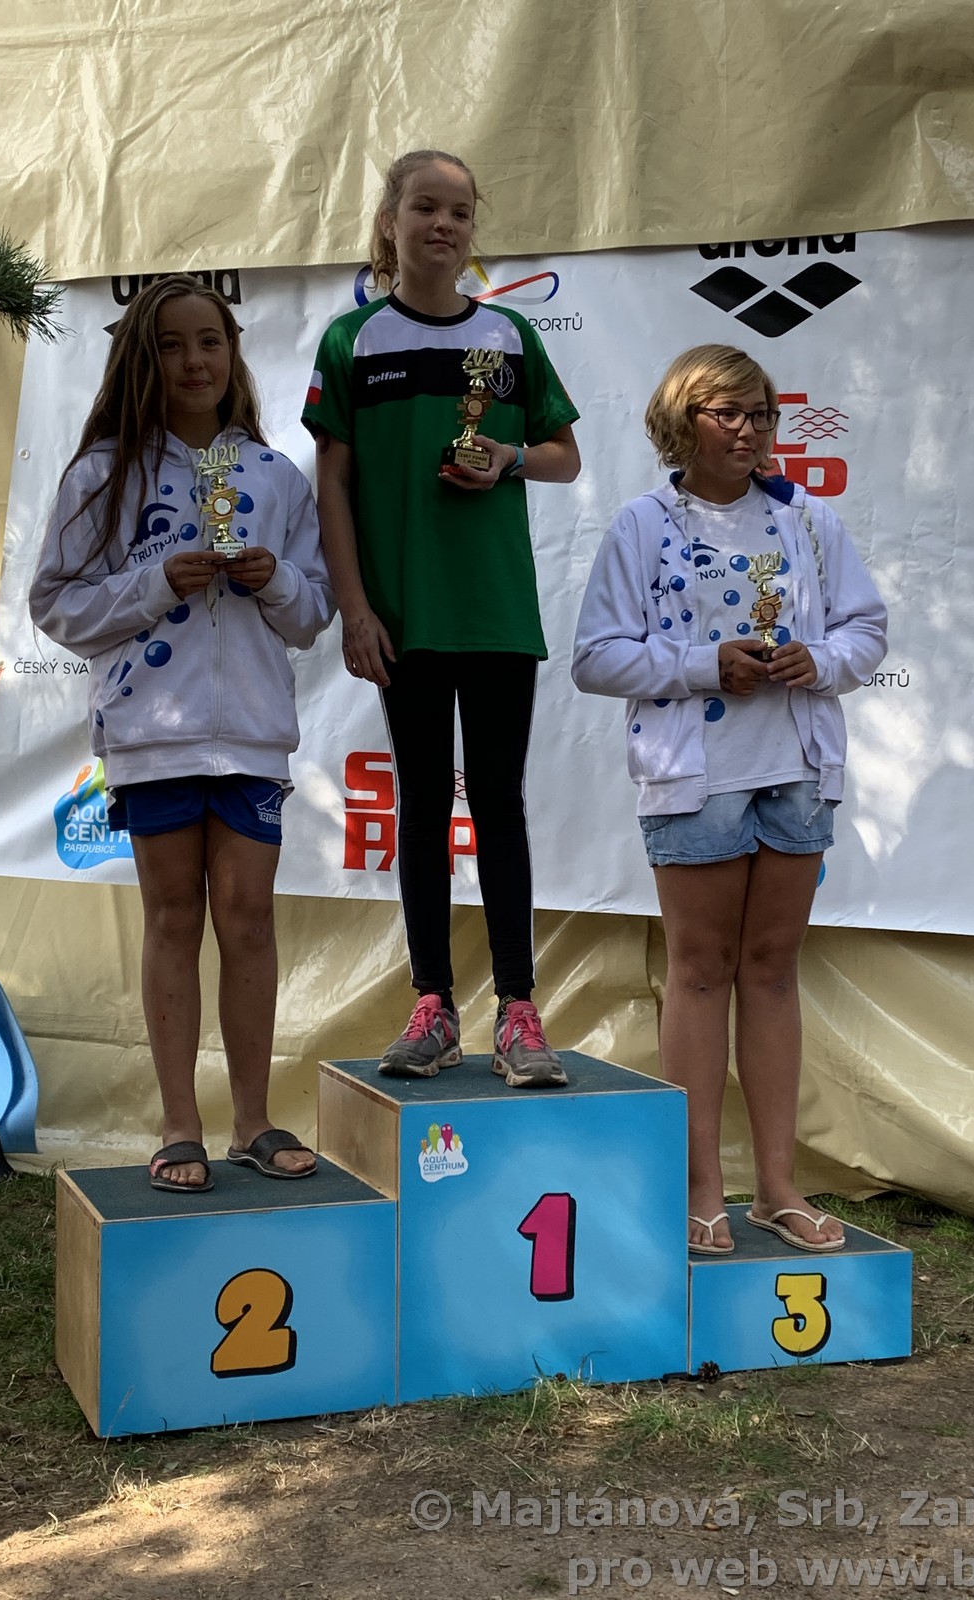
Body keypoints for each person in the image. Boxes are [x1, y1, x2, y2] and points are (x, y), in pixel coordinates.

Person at [572, 345, 887, 1253]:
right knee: (701, 972)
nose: (749, 430)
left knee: (773, 970)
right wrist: (703, 665)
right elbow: (597, 656)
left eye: (761, 414)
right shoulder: (642, 524)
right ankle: (699, 1188)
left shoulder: (809, 520)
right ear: (684, 420)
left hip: (797, 769)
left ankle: (778, 1187)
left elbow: (866, 629)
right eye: (728, 413)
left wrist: (819, 660)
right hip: (693, 776)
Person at [31, 275, 334, 1192]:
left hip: (251, 737)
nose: (195, 361)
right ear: (141, 360)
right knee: (172, 916)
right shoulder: (102, 473)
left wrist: (275, 579)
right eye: (171, 345)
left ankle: (253, 1121)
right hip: (150, 735)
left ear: (233, 353)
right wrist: (157, 582)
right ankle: (177, 1126)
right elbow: (57, 605)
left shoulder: (275, 476)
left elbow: (312, 613)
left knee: (249, 920)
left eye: (211, 341)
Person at [303, 149, 581, 1088]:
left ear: (472, 230)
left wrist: (508, 457)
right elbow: (332, 484)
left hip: (496, 611)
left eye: (460, 212)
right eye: (426, 207)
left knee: (498, 803)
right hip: (404, 616)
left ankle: (518, 1010)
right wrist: (354, 609)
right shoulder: (352, 340)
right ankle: (433, 1006)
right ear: (391, 220)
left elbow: (565, 456)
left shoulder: (509, 336)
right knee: (422, 805)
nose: (444, 225)